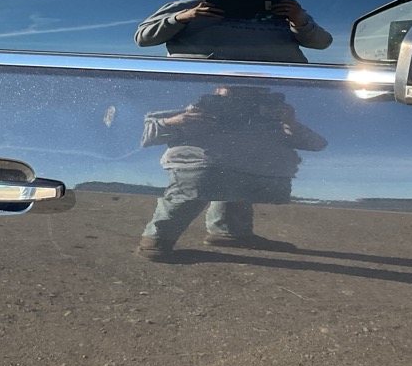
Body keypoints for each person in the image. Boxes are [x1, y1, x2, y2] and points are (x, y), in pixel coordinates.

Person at [136, 86, 327, 261]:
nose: (242, 100)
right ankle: (156, 240)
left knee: (235, 181)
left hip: (254, 171)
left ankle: (229, 233)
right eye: (234, 92)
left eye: (254, 93)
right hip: (203, 167)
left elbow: (317, 144)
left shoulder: (273, 121)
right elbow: (148, 136)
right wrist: (175, 121)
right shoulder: (197, 112)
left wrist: (289, 122)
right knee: (193, 190)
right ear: (217, 90)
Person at [134, 0, 332, 63]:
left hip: (280, 86)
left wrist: (300, 22)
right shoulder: (187, 7)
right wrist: (182, 18)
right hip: (205, 85)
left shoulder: (287, 11)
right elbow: (143, 38)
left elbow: (322, 43)